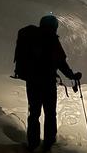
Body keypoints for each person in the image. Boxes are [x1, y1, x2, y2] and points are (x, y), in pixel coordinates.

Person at [13, 15, 82, 152]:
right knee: (50, 113)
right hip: (48, 83)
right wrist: (72, 76)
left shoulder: (30, 37)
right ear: (54, 27)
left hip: (32, 82)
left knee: (34, 113)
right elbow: (61, 63)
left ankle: (33, 143)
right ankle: (49, 144)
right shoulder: (52, 40)